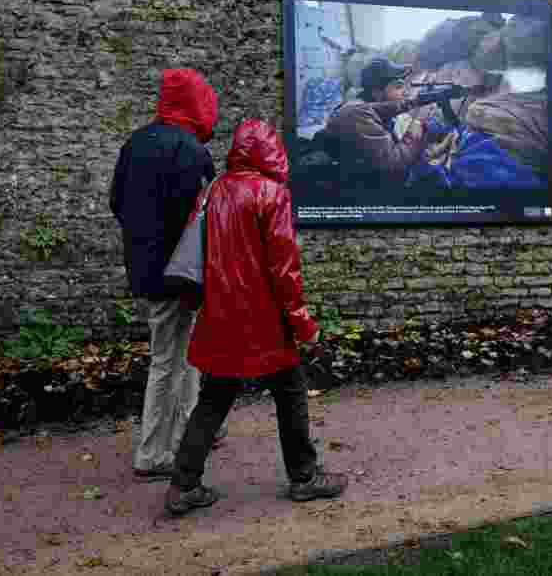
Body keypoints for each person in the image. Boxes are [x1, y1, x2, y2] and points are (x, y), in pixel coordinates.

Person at [163, 117, 348, 516]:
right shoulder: (271, 193)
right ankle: (304, 477)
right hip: (264, 318)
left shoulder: (213, 190)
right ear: (271, 149)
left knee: (214, 398)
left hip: (221, 311)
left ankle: (183, 484)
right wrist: (302, 323)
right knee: (290, 392)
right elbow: (284, 268)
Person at [109, 68, 225, 483]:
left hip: (147, 270)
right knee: (169, 360)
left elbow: (117, 202)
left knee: (180, 352)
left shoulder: (135, 143)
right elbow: (203, 218)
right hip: (184, 273)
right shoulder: (191, 151)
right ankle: (154, 452)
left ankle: (193, 429)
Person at [315, 56, 467, 188]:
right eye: (399, 86)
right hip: (362, 188)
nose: (406, 92)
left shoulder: (365, 106)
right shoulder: (356, 113)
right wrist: (413, 135)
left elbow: (393, 107)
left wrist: (418, 103)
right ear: (377, 91)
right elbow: (395, 165)